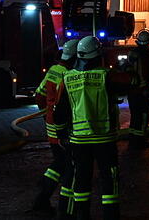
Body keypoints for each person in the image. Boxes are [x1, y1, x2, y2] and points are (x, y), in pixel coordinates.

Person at [53, 36, 131, 220]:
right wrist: (126, 68)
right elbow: (128, 85)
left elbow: (60, 112)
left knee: (81, 179)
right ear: (98, 55)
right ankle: (111, 216)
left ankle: (82, 215)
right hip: (105, 139)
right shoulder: (107, 76)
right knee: (109, 179)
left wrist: (62, 134)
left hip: (78, 140)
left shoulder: (67, 78)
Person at [29, 38, 78, 213]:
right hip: (64, 128)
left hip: (51, 126)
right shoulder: (68, 74)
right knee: (69, 167)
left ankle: (42, 197)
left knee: (59, 162)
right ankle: (62, 209)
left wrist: (47, 115)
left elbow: (39, 95)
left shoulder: (53, 70)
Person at [123, 29, 149, 149]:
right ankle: (140, 141)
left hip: (132, 91)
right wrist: (147, 91)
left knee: (135, 116)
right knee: (143, 116)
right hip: (141, 91)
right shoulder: (145, 55)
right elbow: (144, 73)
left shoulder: (132, 53)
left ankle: (132, 140)